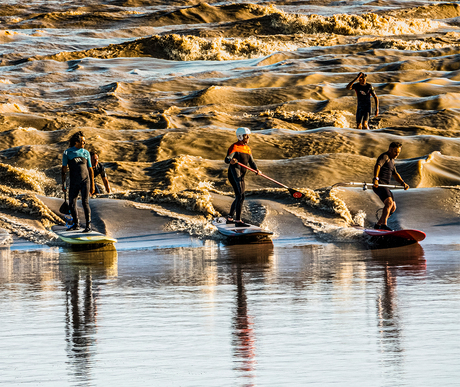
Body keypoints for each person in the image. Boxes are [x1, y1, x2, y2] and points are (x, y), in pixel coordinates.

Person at [224, 127, 260, 227]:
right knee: (240, 196)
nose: (248, 137)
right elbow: (227, 159)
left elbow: (251, 162)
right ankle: (238, 221)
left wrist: (256, 170)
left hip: (241, 176)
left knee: (241, 196)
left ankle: (230, 218)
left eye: (248, 136)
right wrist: (231, 160)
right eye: (245, 136)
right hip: (234, 174)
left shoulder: (248, 149)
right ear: (240, 136)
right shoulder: (234, 146)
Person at [61, 131, 95, 232]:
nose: (84, 143)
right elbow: (64, 170)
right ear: (76, 142)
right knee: (72, 203)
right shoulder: (67, 153)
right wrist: (64, 184)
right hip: (74, 182)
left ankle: (88, 226)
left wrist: (92, 185)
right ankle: (76, 224)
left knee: (85, 203)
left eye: (84, 142)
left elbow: (90, 169)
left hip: (85, 181)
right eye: (82, 142)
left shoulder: (86, 153)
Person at [372, 141, 409, 231]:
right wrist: (376, 179)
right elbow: (378, 166)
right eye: (395, 152)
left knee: (393, 207)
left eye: (398, 152)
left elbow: (395, 174)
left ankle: (378, 225)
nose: (397, 154)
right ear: (390, 150)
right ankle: (384, 225)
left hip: (385, 186)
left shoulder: (392, 160)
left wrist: (403, 183)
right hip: (380, 185)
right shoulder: (384, 156)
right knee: (389, 203)